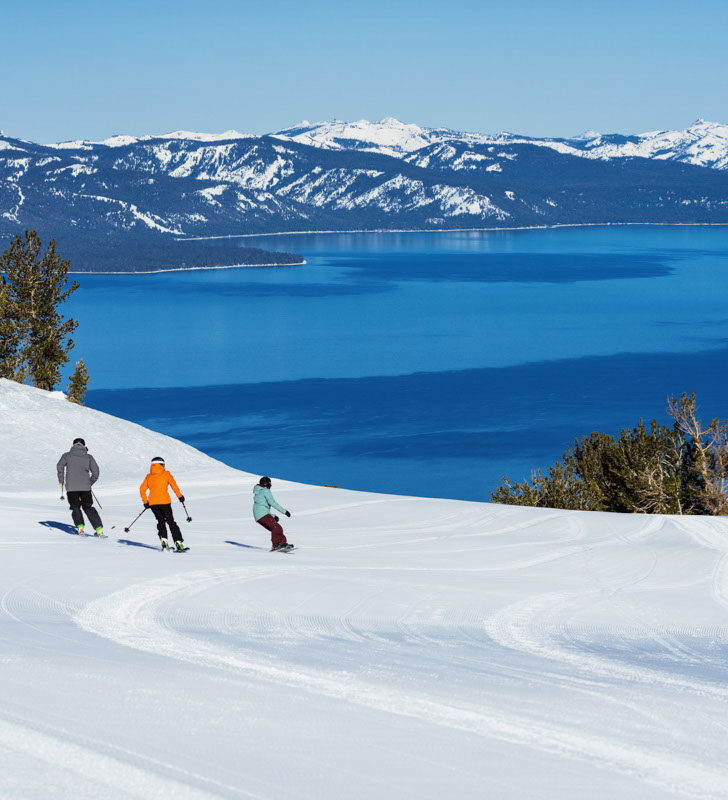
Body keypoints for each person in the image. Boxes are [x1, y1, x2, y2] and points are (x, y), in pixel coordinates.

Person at [56, 437, 104, 536]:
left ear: (73, 445)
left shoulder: (67, 456)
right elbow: (96, 472)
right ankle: (99, 529)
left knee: (75, 507)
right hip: (85, 488)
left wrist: (61, 480)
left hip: (71, 488)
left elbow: (59, 466)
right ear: (84, 446)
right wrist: (89, 483)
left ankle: (80, 528)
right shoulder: (89, 457)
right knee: (88, 507)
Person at [139, 456, 186, 551]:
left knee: (161, 522)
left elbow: (142, 489)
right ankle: (178, 542)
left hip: (153, 504)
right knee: (171, 522)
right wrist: (180, 496)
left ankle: (164, 541)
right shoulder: (166, 474)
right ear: (162, 464)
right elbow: (174, 486)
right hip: (164, 502)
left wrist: (145, 502)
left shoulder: (148, 476)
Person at [253, 476, 293, 551]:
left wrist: (273, 516)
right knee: (277, 528)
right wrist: (284, 511)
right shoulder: (265, 490)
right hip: (263, 515)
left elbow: (261, 507)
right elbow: (272, 503)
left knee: (275, 529)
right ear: (267, 484)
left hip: (258, 516)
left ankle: (282, 543)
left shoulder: (258, 492)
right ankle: (277, 545)